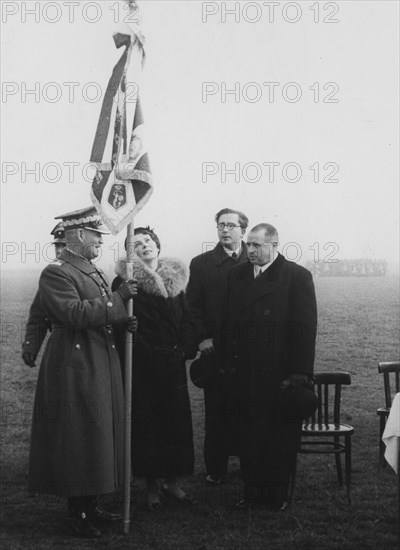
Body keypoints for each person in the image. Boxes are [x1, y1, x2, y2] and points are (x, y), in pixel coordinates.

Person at [27, 206, 138, 538]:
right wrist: (117, 300)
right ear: (77, 235)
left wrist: (121, 317)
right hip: (77, 364)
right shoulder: (57, 272)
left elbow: (99, 312)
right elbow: (71, 313)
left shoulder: (91, 269)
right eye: (95, 235)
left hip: (99, 358)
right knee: (79, 436)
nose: (99, 242)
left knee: (98, 433)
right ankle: (78, 511)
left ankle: (91, 503)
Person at [223, 223, 317, 510]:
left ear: (274, 244)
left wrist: (299, 375)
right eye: (248, 245)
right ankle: (252, 493)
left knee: (277, 437)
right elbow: (229, 323)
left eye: (257, 245)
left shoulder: (296, 277)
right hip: (245, 373)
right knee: (249, 435)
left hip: (279, 375)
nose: (249, 250)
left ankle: (276, 496)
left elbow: (304, 328)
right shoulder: (236, 275)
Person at [113, 227, 197, 511]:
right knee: (148, 426)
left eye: (148, 240)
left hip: (174, 363)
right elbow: (123, 323)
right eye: (136, 244)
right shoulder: (125, 282)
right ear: (130, 253)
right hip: (143, 365)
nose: (144, 245)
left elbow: (189, 319)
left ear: (157, 245)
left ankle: (171, 482)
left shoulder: (178, 278)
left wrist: (184, 350)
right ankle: (150, 486)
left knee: (175, 423)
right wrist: (147, 353)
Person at [186, 208, 249, 484]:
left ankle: (250, 464)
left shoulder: (257, 259)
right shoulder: (201, 264)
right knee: (217, 411)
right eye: (220, 225)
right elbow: (192, 307)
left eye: (231, 226)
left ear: (243, 230)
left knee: (249, 408)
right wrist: (202, 337)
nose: (225, 230)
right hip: (216, 353)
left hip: (250, 353)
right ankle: (216, 469)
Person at [22, 222, 66, 368]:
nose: (59, 251)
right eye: (57, 246)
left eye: (64, 246)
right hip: (61, 349)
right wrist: (31, 346)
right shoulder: (52, 276)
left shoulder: (90, 275)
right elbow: (39, 316)